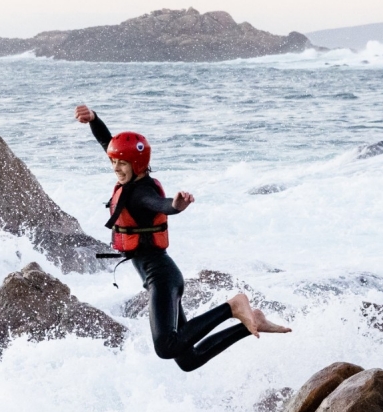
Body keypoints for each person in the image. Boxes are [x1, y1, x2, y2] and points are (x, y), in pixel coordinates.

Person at [74, 104, 289, 371]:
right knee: (188, 360)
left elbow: (161, 204)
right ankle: (251, 323)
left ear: (137, 164)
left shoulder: (142, 193)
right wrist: (94, 120)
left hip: (162, 277)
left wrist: (176, 205)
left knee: (166, 347)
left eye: (122, 163)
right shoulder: (131, 181)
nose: (116, 167)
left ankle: (232, 307)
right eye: (113, 162)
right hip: (159, 275)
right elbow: (107, 142)